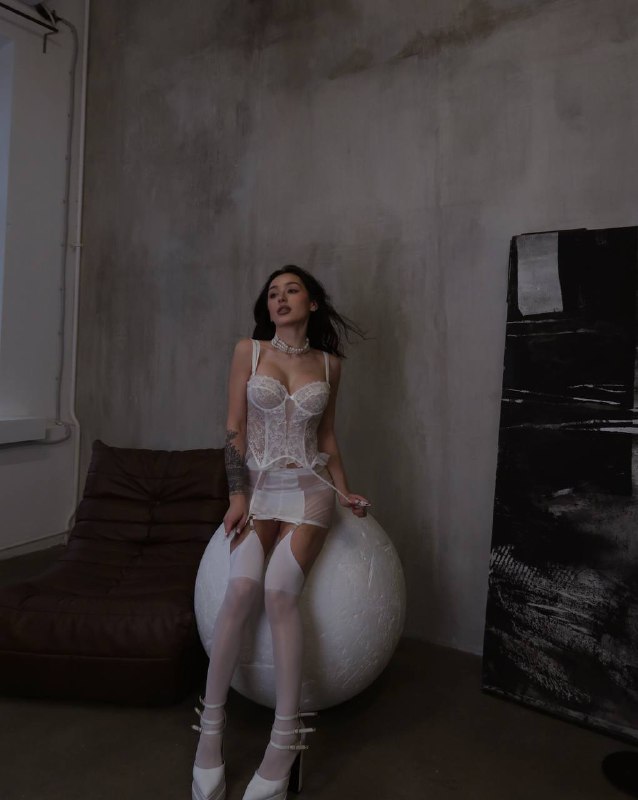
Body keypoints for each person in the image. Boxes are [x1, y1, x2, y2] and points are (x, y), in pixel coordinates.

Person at [192, 265, 369, 800]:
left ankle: (285, 738)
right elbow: (234, 428)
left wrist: (345, 492)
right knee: (241, 588)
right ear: (267, 307)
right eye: (273, 293)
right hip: (258, 488)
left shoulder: (331, 365)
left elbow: (328, 436)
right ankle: (210, 733)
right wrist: (237, 495)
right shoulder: (248, 352)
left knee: (279, 592)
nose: (281, 298)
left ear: (312, 303)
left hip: (310, 490)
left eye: (292, 290)